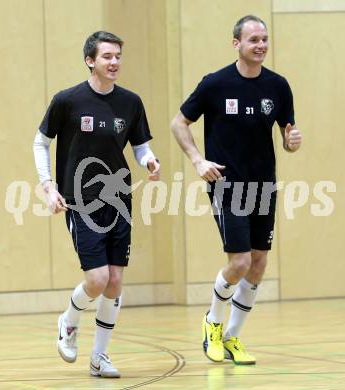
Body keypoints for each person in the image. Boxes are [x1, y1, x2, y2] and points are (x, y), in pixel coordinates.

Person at [171, 15, 302, 365]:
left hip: (265, 186)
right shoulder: (215, 84)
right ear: (236, 44)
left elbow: (288, 136)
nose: (260, 45)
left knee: (258, 262)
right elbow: (178, 123)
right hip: (227, 185)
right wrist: (198, 160)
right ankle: (212, 323)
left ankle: (232, 337)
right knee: (240, 261)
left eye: (264, 39)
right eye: (253, 39)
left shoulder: (278, 86)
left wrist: (292, 142)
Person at [33, 31, 160, 378]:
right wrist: (48, 186)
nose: (114, 62)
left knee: (115, 281)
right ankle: (68, 321)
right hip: (80, 200)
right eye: (107, 56)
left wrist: (150, 160)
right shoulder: (68, 101)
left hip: (118, 198)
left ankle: (99, 357)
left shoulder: (131, 102)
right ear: (91, 60)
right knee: (97, 279)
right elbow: (40, 142)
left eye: (118, 55)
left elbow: (140, 146)